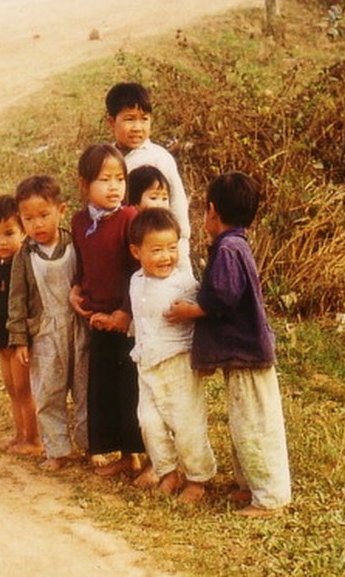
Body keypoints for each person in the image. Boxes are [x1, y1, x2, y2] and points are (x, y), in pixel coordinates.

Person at [166, 171, 292, 517]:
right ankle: (249, 484)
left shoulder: (229, 249)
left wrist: (190, 310)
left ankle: (270, 498)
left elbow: (222, 297)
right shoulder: (235, 244)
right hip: (243, 355)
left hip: (249, 355)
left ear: (211, 210)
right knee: (242, 423)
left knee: (256, 426)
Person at [127, 207, 217, 503]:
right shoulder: (136, 281)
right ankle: (167, 472)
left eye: (171, 248)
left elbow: (203, 321)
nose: (166, 256)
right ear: (136, 252)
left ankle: (197, 479)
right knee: (149, 421)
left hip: (179, 364)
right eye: (156, 250)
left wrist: (205, 358)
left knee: (187, 424)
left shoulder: (184, 283)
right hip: (147, 363)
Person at [68, 143, 146, 481]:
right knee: (104, 388)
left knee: (130, 389)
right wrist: (75, 290)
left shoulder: (130, 219)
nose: (114, 187)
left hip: (126, 321)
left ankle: (137, 453)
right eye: (104, 180)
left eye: (120, 179)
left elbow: (138, 271)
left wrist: (125, 314)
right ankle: (117, 453)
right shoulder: (80, 221)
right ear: (84, 185)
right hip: (97, 320)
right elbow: (83, 264)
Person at [6, 175, 88, 471]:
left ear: (61, 211)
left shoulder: (74, 244)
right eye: (29, 219)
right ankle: (56, 449)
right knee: (48, 391)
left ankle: (91, 445)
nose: (37, 224)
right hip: (44, 333)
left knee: (84, 388)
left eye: (44, 215)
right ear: (20, 219)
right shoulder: (24, 256)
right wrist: (19, 340)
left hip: (78, 328)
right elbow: (16, 300)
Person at [0, 195, 40, 456]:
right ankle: (20, 435)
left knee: (25, 389)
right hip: (0, 339)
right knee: (12, 390)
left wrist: (22, 339)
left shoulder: (23, 265)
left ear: (23, 233)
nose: (2, 241)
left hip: (18, 340)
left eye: (9, 233)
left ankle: (35, 439)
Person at [105, 82, 192, 269]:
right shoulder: (107, 158)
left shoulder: (159, 158)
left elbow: (177, 204)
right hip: (119, 247)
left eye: (144, 119)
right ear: (111, 122)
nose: (137, 127)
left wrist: (181, 256)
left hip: (155, 250)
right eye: (129, 119)